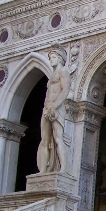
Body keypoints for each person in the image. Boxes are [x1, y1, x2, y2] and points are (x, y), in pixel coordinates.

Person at [25, 45, 75, 173]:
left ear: (60, 59)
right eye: (50, 57)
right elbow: (48, 93)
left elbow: (65, 91)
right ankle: (43, 170)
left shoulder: (63, 72)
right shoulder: (52, 74)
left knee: (58, 138)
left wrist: (55, 106)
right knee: (45, 140)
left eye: (53, 57)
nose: (51, 60)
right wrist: (47, 106)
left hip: (57, 108)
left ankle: (63, 169)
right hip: (47, 108)